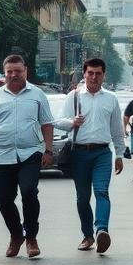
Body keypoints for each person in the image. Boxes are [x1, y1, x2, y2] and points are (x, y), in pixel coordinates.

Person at [0, 55, 54, 258]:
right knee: (4, 199)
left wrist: (48, 150)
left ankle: (31, 237)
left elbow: (46, 124)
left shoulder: (37, 94)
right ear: (4, 73)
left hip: (31, 153)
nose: (13, 75)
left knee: (28, 192)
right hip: (3, 155)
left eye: (17, 71)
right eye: (9, 71)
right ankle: (17, 235)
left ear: (25, 71)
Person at [52, 58, 125, 254]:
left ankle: (102, 230)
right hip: (79, 153)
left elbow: (117, 129)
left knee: (102, 191)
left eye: (98, 73)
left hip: (102, 153)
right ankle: (87, 235)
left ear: (104, 75)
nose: (94, 77)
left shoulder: (110, 98)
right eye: (90, 73)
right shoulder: (74, 97)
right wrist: (72, 122)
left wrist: (119, 153)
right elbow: (57, 121)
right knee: (82, 198)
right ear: (84, 74)